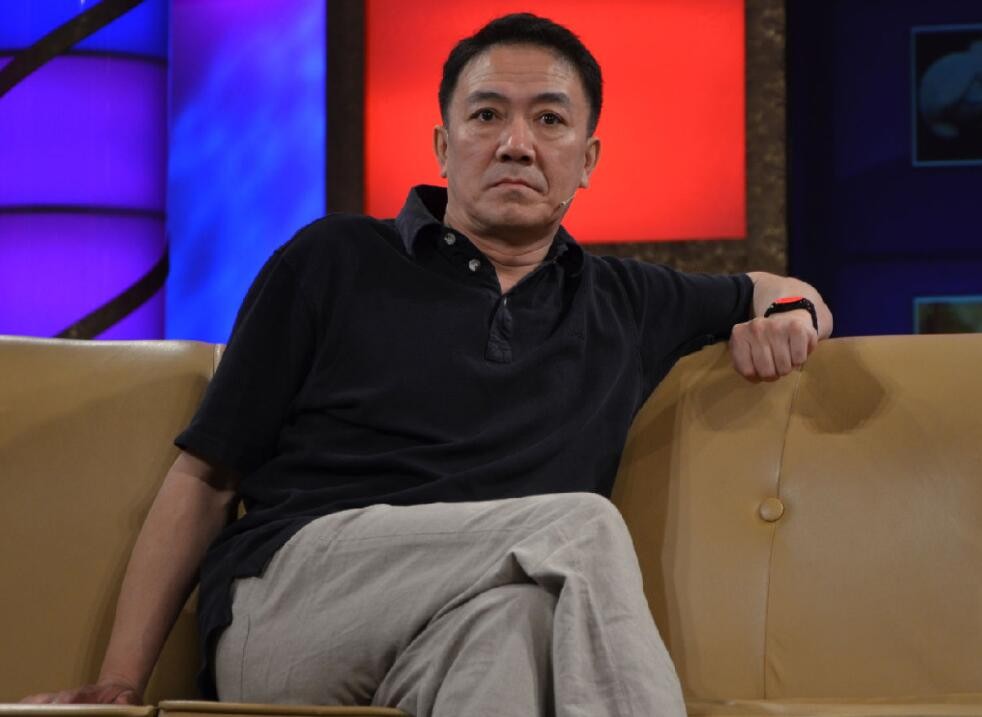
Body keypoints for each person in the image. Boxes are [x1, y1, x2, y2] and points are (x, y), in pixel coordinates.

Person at [23, 13, 832, 717]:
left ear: (587, 159)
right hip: (291, 607)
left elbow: (781, 291)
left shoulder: (624, 300)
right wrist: (119, 682)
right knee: (578, 527)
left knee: (512, 631)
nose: (516, 143)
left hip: (457, 621)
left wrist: (793, 317)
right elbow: (204, 479)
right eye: (487, 114)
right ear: (445, 145)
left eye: (549, 120)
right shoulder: (331, 259)